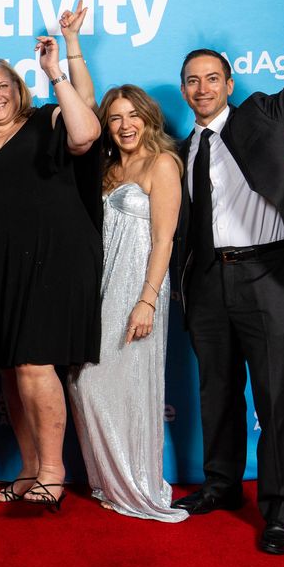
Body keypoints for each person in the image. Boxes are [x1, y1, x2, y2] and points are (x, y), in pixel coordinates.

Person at [170, 0, 284, 555]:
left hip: (269, 273)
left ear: (230, 84)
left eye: (212, 78)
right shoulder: (183, 147)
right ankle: (221, 484)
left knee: (274, 395)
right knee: (216, 391)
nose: (200, 88)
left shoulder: (267, 115)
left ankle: (282, 511)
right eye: (191, 80)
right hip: (210, 280)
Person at [0, 8, 102, 512]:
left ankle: (53, 473)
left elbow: (86, 135)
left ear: (19, 89)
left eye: (3, 86)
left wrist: (54, 71)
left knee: (34, 366)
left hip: (54, 260)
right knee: (7, 371)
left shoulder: (47, 118)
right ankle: (28, 466)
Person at [67, 85, 188, 522]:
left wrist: (148, 301)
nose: (125, 125)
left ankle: (137, 484)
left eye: (133, 115)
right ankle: (110, 481)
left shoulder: (163, 164)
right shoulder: (106, 169)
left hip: (137, 286)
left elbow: (164, 239)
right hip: (100, 285)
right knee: (84, 384)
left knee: (127, 386)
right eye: (115, 118)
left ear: (148, 118)